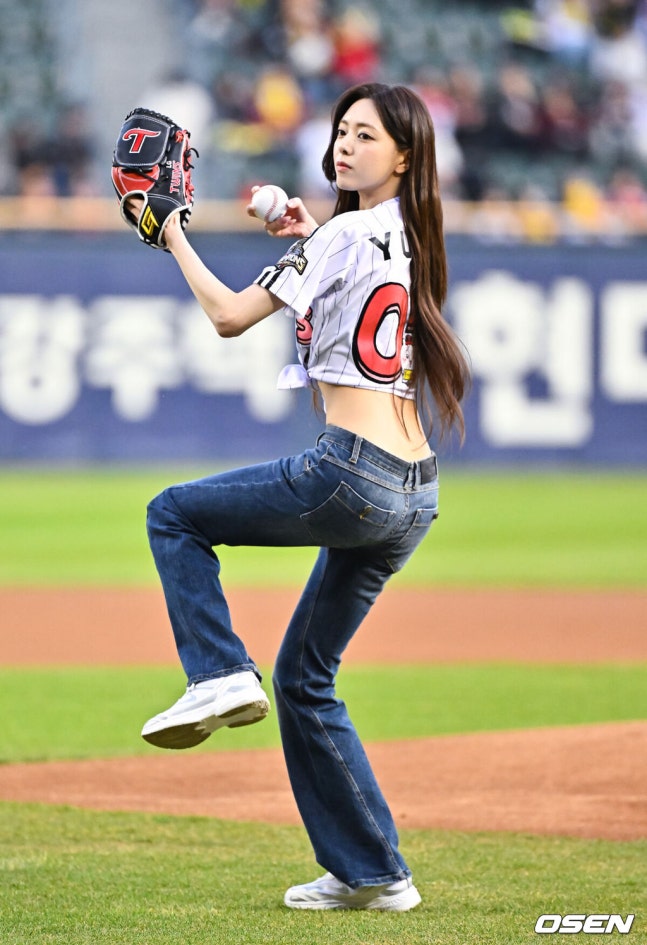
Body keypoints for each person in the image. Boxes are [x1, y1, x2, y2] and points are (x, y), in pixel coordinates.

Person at [130, 82, 469, 912]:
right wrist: (305, 232)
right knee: (306, 678)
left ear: (404, 155)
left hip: (350, 475)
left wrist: (170, 232)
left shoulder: (347, 231)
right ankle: (375, 874)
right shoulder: (407, 233)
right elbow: (348, 266)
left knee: (172, 513)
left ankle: (217, 673)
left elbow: (227, 316)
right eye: (342, 130)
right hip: (414, 492)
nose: (346, 144)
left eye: (367, 135)